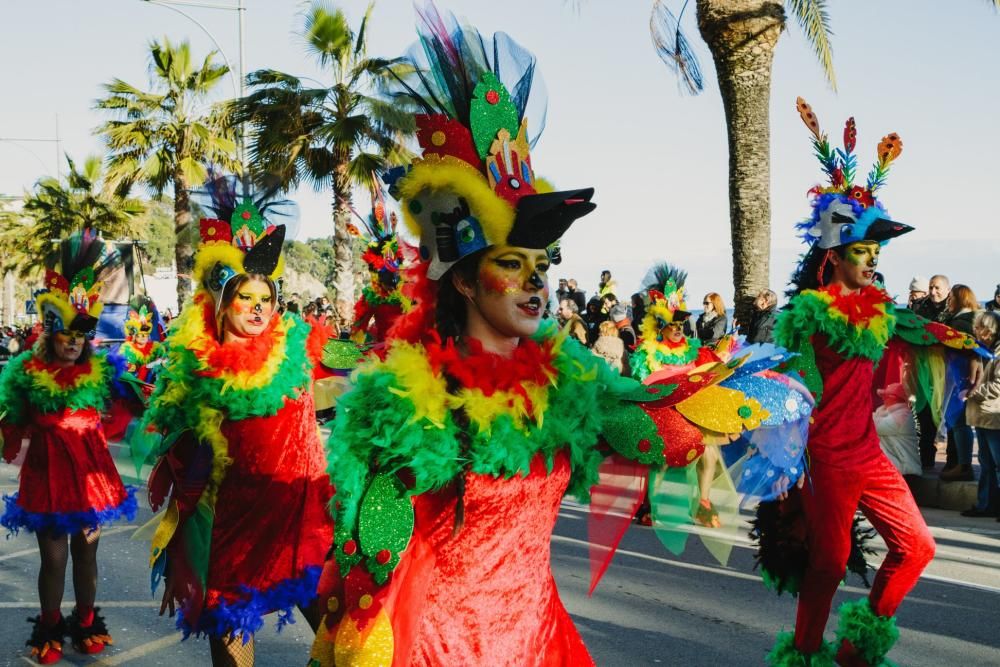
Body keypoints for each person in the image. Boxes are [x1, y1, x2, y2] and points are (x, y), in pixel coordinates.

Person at [306, 12, 770, 664]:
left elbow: (639, 424)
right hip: (438, 645)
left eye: (542, 264)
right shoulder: (406, 391)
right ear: (464, 281)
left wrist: (725, 391)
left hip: (534, 636)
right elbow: (367, 543)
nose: (535, 282)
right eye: (511, 262)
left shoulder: (563, 374)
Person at [762, 99, 937, 665]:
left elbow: (919, 333)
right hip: (827, 457)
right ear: (834, 255)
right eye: (861, 250)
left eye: (875, 251)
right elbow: (790, 382)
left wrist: (959, 343)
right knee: (830, 563)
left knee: (917, 547)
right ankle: (807, 655)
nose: (870, 260)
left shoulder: (881, 310)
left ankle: (858, 652)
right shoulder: (809, 313)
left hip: (867, 453)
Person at [139, 179, 334, 666]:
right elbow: (180, 455)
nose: (257, 308)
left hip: (297, 523)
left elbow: (355, 385)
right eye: (244, 297)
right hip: (231, 528)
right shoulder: (195, 369)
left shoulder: (300, 354)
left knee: (340, 636)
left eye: (264, 298)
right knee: (232, 647)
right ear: (221, 303)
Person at [1, 229, 137, 664]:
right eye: (68, 331)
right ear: (51, 332)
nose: (76, 339)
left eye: (85, 331)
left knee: (87, 554)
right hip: (47, 478)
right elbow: (11, 420)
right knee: (54, 559)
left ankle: (85, 622)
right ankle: (49, 626)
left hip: (91, 478)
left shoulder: (102, 373)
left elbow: (134, 403)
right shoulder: (25, 374)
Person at [350, 177, 408, 345]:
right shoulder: (372, 297)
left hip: (413, 358)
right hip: (383, 358)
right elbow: (358, 332)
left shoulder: (410, 292)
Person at [940, 284, 980, 482]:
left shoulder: (960, 323)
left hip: (960, 378)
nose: (948, 301)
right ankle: (961, 464)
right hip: (966, 378)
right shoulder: (976, 318)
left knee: (958, 421)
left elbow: (971, 349)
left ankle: (963, 465)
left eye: (951, 298)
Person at [962, 310, 1000, 518]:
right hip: (983, 416)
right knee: (986, 464)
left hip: (994, 415)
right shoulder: (983, 350)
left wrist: (973, 393)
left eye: (979, 328)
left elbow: (998, 386)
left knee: (997, 464)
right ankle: (986, 504)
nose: (975, 331)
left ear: (989, 330)